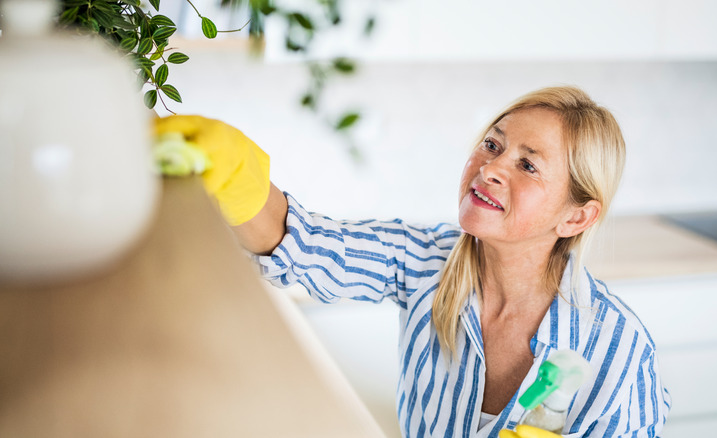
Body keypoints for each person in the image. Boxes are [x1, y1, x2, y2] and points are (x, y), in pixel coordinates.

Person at [155, 86, 671, 437]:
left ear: (576, 218)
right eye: (492, 144)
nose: (490, 167)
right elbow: (305, 246)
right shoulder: (424, 261)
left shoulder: (618, 349)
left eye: (527, 164)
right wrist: (237, 175)